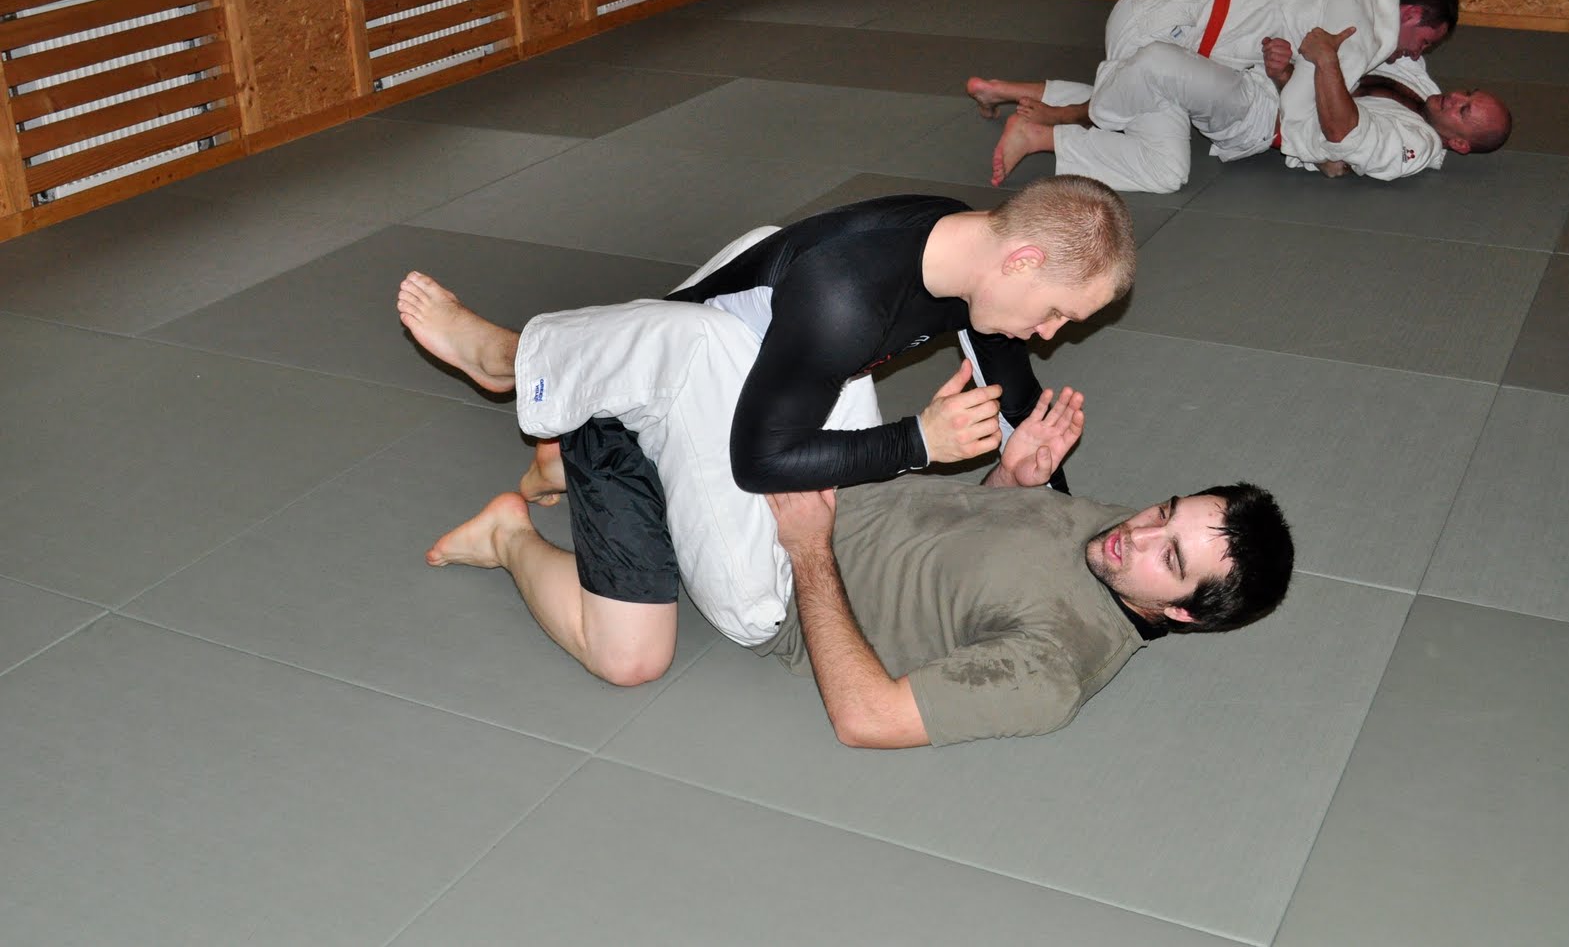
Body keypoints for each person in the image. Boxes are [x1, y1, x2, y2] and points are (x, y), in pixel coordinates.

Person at [410, 297, 1294, 747]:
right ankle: (598, 446)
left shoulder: (1054, 669)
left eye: (1167, 555)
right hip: (845, 475)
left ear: (1180, 612)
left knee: (702, 349)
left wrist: (807, 550)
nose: (1137, 532)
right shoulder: (1111, 539)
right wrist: (1010, 482)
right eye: (1166, 511)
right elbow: (958, 571)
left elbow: (868, 717)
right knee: (796, 289)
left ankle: (514, 383)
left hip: (775, 579)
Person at [397, 177, 1137, 685]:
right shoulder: (846, 297)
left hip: (735, 392)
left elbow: (1020, 410)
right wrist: (920, 442)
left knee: (774, 328)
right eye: (1057, 312)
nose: (1050, 334)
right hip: (702, 410)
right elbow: (758, 462)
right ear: (1022, 259)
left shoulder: (962, 246)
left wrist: (1066, 527)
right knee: (655, 649)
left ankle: (560, 455)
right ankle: (516, 378)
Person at [977, 0, 1460, 186]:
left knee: (1153, 88)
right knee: (1165, 168)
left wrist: (1285, 72)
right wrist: (1321, 158)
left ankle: (1014, 91)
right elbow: (1304, 115)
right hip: (1163, 33)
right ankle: (1057, 123)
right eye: (1424, 42)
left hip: (1168, 5)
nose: (1413, 54)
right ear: (1411, 14)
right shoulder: (1359, 34)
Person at [968, 30, 1511, 191]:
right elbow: (1388, 26)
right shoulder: (1419, 80)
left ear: (1458, 143)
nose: (1454, 99)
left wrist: (1321, 62)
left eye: (1464, 112)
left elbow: (1344, 132)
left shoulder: (1414, 145)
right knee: (1150, 92)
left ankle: (1054, 120)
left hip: (1256, 119)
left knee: (1157, 72)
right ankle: (1018, 104)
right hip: (1259, 80)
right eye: (1467, 93)